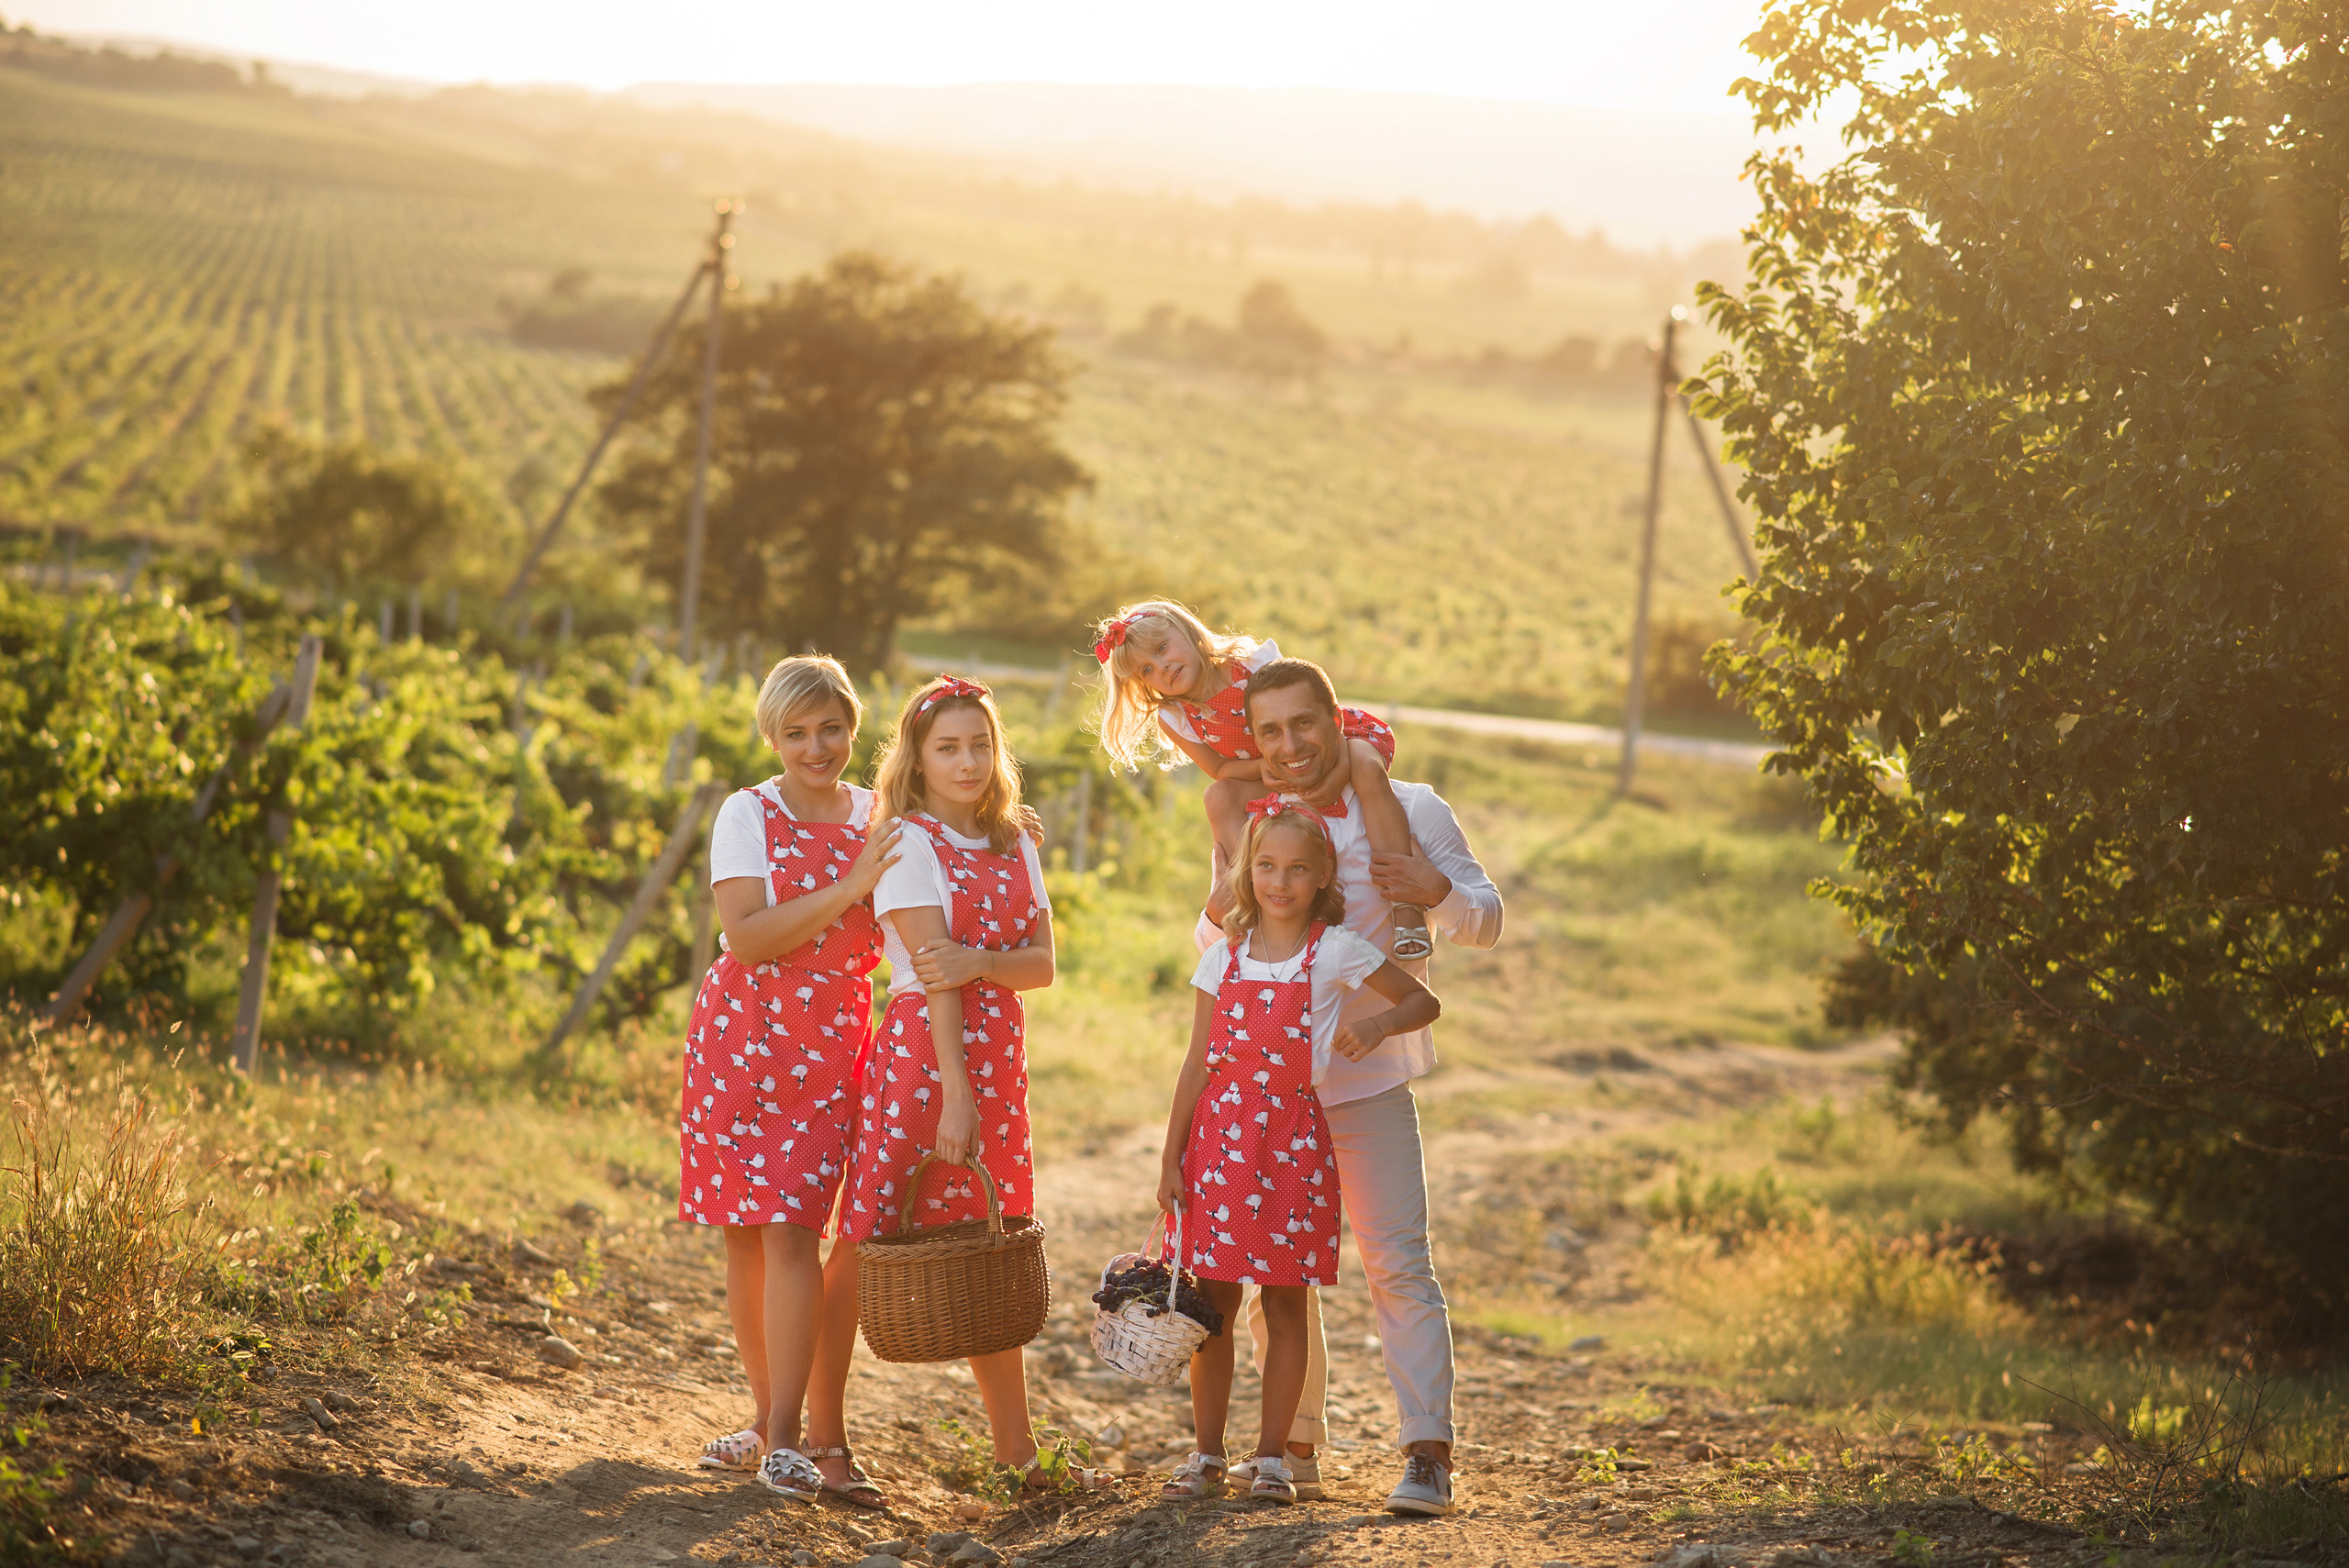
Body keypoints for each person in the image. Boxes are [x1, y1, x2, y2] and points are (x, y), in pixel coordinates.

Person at [1207, 655, 1505, 1518]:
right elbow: (1225, 934)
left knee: (1395, 1262)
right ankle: (1294, 1443)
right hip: (1271, 1092)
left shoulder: (1410, 808)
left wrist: (1437, 891)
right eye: (1269, 732)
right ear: (1253, 742)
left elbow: (1486, 917)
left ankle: (1426, 1452)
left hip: (1369, 1085)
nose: (1289, 745)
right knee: (1274, 1269)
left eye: (1304, 724)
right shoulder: (1265, 823)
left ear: (1339, 720)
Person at [836, 674, 1096, 1494]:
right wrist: (955, 1090)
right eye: (948, 746)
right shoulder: (908, 842)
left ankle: (1015, 1450)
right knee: (867, 1238)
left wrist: (987, 961)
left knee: (992, 1233)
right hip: (927, 1058)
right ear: (916, 758)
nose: (968, 760)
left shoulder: (1013, 839)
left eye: (981, 743)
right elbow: (932, 978)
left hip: (997, 1060)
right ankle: (816, 1433)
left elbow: (1041, 965)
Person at [1156, 798, 1441, 1504]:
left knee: (1286, 1302)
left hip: (1291, 1144)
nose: (1279, 881)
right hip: (1220, 1143)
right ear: (1246, 873)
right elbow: (1197, 1063)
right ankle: (1206, 1454)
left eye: (1296, 869)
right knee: (1212, 1303)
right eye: (1266, 866)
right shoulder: (1220, 956)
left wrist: (1374, 1028)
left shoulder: (1335, 949)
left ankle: (1275, 1457)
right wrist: (1171, 1158)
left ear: (1321, 877)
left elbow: (1420, 1002)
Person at [679, 655, 903, 1506]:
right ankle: (766, 1416)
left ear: (852, 727)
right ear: (773, 736)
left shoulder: (882, 815)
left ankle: (784, 1440)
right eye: (798, 732)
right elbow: (748, 937)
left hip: (834, 1041)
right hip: (742, 1036)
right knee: (746, 1229)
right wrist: (851, 886)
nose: (818, 746)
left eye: (832, 728)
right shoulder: (748, 812)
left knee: (792, 1229)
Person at [1092, 598, 1431, 959]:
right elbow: (1220, 770)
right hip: (1270, 769)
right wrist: (1261, 771)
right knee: (1218, 797)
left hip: (1320, 743)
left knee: (1365, 767)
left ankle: (1405, 903)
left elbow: (1303, 703)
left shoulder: (1248, 661)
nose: (1161, 668)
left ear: (1188, 630)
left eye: (1162, 649)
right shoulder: (1175, 717)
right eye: (1145, 670)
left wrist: (1334, 775)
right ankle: (1254, 905)